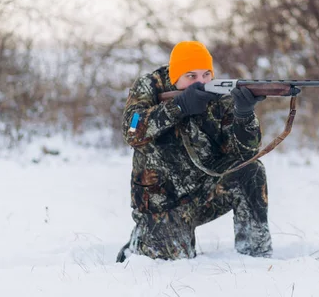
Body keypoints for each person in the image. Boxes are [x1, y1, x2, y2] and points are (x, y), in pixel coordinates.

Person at [116, 40, 272, 261]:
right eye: (191, 76)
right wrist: (179, 107)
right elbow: (131, 131)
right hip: (163, 203)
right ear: (174, 76)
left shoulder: (220, 94)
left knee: (251, 170)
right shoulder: (149, 86)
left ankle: (256, 255)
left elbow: (247, 151)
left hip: (206, 193)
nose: (201, 82)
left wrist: (244, 114)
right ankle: (139, 243)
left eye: (206, 74)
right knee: (171, 266)